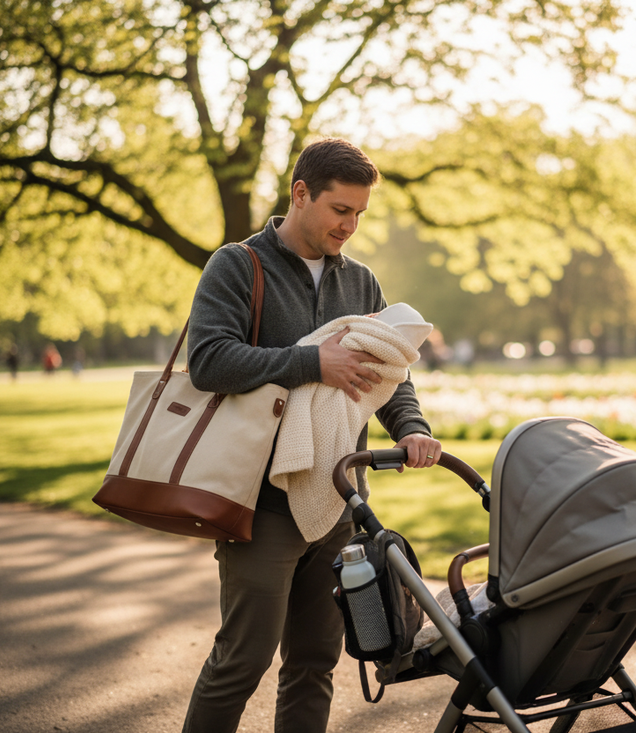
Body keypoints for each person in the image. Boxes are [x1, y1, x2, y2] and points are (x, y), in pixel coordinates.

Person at [182, 138, 442, 733]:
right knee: (241, 662)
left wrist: (413, 429)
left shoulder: (362, 283)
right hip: (261, 503)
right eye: (340, 210)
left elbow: (389, 374)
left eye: (359, 214)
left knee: (314, 664)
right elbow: (210, 361)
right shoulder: (237, 264)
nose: (350, 225)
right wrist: (310, 364)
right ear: (301, 194)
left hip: (339, 503)